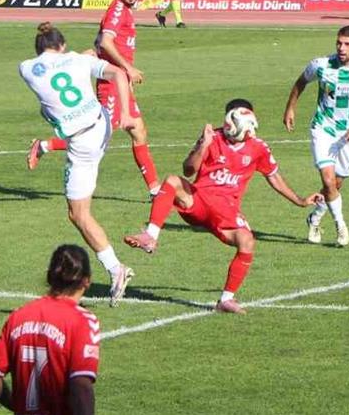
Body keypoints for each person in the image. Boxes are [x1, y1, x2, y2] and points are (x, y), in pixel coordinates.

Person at [123, 100, 322, 314]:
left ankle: (226, 299)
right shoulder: (213, 138)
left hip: (226, 213)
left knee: (246, 241)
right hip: (198, 202)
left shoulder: (259, 148)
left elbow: (274, 178)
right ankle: (150, 235)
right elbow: (188, 170)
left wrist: (300, 201)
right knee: (172, 180)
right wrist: (203, 145)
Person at [19, 23, 136, 307]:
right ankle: (46, 144)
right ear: (62, 46)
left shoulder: (25, 68)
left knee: (78, 214)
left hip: (82, 143)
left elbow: (50, 66)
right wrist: (127, 113)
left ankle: (116, 269)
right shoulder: (80, 60)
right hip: (102, 124)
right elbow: (119, 73)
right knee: (59, 106)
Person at [28, 0, 161, 199]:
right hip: (111, 82)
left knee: (139, 131)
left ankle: (155, 189)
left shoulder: (125, 10)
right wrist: (127, 68)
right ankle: (45, 145)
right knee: (100, 136)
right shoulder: (117, 10)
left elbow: (101, 42)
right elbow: (106, 42)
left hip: (120, 81)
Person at [0, 244, 112, 415]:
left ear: (49, 277)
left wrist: (19, 407)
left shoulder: (18, 317)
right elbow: (81, 386)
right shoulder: (83, 321)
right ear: (87, 281)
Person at [282, 26, 349, 247]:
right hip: (323, 129)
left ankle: (315, 217)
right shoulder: (321, 65)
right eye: (339, 43)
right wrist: (290, 108)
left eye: (347, 44)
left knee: (335, 185)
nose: (341, 48)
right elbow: (300, 82)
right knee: (328, 180)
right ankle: (341, 227)